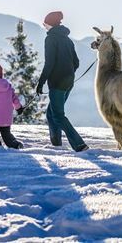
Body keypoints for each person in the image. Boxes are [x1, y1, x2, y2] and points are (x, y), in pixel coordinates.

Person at [36, 11, 89, 152]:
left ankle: (79, 144)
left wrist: (41, 82)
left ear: (50, 24)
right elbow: (76, 62)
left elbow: (49, 63)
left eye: (44, 23)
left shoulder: (50, 39)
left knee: (58, 115)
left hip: (57, 83)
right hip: (68, 82)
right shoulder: (68, 40)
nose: (44, 26)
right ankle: (56, 144)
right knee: (51, 113)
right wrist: (68, 74)